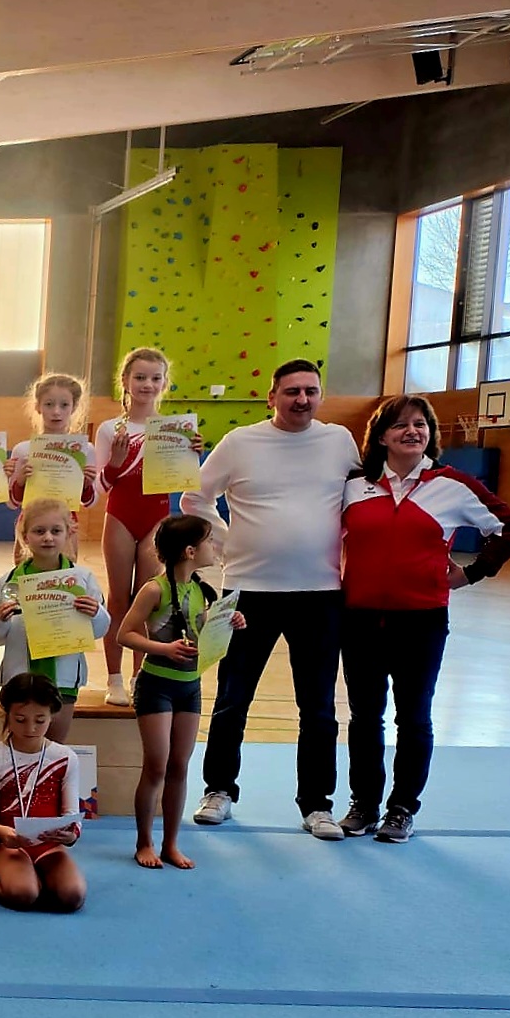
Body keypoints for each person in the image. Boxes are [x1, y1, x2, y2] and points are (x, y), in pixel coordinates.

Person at [179, 358, 361, 839]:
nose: (302, 399)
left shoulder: (340, 442)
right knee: (232, 698)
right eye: (292, 391)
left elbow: (363, 498)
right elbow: (194, 498)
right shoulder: (240, 442)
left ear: (320, 396)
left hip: (320, 594)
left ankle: (317, 804)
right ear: (272, 397)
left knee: (318, 707)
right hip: (248, 592)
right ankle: (218, 789)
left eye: (310, 391)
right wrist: (226, 541)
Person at [337, 394, 510, 843]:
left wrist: (473, 572)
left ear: (430, 434)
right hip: (359, 619)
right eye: (400, 425)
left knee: (414, 718)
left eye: (420, 424)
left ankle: (401, 809)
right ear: (381, 436)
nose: (412, 431)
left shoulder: (452, 484)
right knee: (365, 717)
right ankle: (363, 804)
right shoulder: (353, 486)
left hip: (421, 622)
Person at [116, 514, 246, 869]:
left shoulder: (200, 590)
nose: (213, 547)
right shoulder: (154, 589)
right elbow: (125, 634)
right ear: (190, 551)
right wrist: (164, 649)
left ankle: (171, 843)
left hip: (189, 687)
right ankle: (144, 842)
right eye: (208, 541)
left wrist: (228, 622)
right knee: (156, 766)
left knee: (179, 766)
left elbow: (200, 634)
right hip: (156, 684)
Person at [95, 348, 181, 706]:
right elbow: (101, 487)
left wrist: (190, 454)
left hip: (156, 520)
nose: (148, 384)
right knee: (118, 599)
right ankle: (114, 678)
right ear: (125, 381)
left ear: (164, 383)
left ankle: (139, 676)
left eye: (155, 378)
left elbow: (185, 482)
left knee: (147, 600)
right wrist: (115, 462)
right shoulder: (110, 429)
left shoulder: (174, 430)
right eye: (140, 377)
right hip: (120, 517)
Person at [0, 497, 110, 741]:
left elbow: (100, 630)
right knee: (19, 748)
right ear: (25, 536)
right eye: (39, 531)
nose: (48, 538)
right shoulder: (8, 582)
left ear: (68, 533)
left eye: (56, 531)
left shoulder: (82, 579)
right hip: (19, 679)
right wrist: (0, 620)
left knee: (54, 748)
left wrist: (96, 613)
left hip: (63, 680)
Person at [0, 673, 85, 913]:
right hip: (7, 844)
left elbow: (71, 813)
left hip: (48, 845)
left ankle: (36, 876)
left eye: (40, 720)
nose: (31, 728)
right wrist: (1, 832)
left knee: (72, 896)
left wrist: (71, 835)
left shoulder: (65, 757)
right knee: (23, 894)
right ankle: (2, 874)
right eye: (20, 719)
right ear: (7, 714)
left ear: (52, 715)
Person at [5, 372, 96, 562]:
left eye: (64, 405)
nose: (56, 411)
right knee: (25, 576)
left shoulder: (84, 450)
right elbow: (12, 502)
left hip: (66, 525)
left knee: (63, 577)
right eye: (49, 404)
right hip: (30, 524)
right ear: (37, 406)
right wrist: (20, 481)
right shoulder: (24, 450)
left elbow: (90, 502)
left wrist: (86, 484)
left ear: (74, 407)